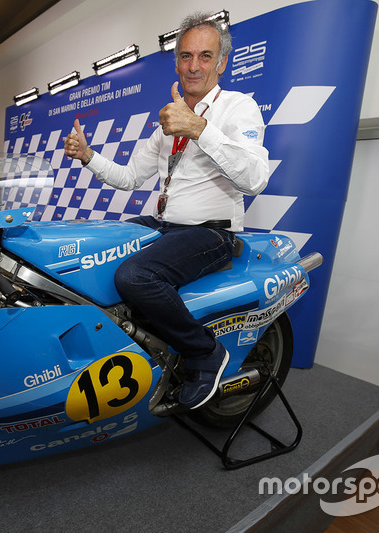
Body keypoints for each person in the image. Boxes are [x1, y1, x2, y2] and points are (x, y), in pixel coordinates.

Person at [64, 13, 270, 409]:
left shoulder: (237, 108)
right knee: (89, 250)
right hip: (165, 226)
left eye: (205, 56)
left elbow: (255, 179)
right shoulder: (166, 123)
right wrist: (89, 157)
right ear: (176, 62)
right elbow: (128, 178)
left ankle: (205, 352)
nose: (194, 66)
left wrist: (199, 128)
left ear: (221, 63)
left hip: (213, 233)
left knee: (135, 274)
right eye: (186, 56)